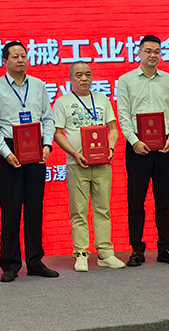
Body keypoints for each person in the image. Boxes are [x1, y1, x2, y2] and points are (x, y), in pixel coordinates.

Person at [0, 41, 59, 282]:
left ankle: (35, 261)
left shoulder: (38, 85)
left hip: (36, 149)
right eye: (15, 56)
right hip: (9, 150)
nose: (20, 60)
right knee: (10, 209)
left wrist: (47, 145)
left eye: (23, 56)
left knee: (34, 208)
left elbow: (47, 118)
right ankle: (10, 264)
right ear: (4, 61)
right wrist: (6, 152)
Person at [117, 35, 169, 267]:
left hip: (164, 148)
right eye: (148, 51)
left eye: (157, 51)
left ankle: (165, 247)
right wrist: (134, 141)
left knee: (164, 201)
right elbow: (123, 114)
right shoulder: (126, 80)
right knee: (136, 201)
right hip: (137, 149)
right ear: (139, 53)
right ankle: (137, 249)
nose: (153, 55)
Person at [53, 62, 125, 272]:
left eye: (87, 74)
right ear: (70, 79)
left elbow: (113, 129)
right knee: (79, 211)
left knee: (103, 209)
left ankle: (105, 253)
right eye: (78, 75)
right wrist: (74, 153)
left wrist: (110, 148)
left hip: (102, 164)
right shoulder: (62, 102)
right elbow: (57, 133)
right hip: (77, 164)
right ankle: (81, 253)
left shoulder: (102, 100)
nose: (84, 79)